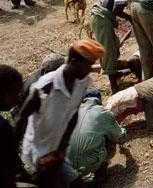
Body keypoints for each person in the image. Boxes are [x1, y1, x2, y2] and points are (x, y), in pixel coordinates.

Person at [17, 40, 104, 188]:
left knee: (75, 182)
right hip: (37, 154)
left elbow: (74, 114)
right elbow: (21, 121)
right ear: (73, 61)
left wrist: (61, 148)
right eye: (87, 65)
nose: (90, 69)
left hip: (56, 149)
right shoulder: (42, 88)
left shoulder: (80, 83)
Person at [90, 0, 141, 93]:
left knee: (113, 47)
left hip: (103, 17)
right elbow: (116, 9)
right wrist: (129, 18)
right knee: (108, 51)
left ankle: (118, 73)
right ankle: (114, 87)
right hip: (101, 17)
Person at [65, 89, 127, 184]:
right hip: (88, 165)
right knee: (110, 136)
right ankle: (99, 173)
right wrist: (121, 129)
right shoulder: (103, 112)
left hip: (67, 166)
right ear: (98, 100)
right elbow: (121, 138)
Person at [0, 64, 23, 188]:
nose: (18, 98)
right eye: (16, 93)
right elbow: (11, 170)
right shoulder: (3, 128)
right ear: (3, 93)